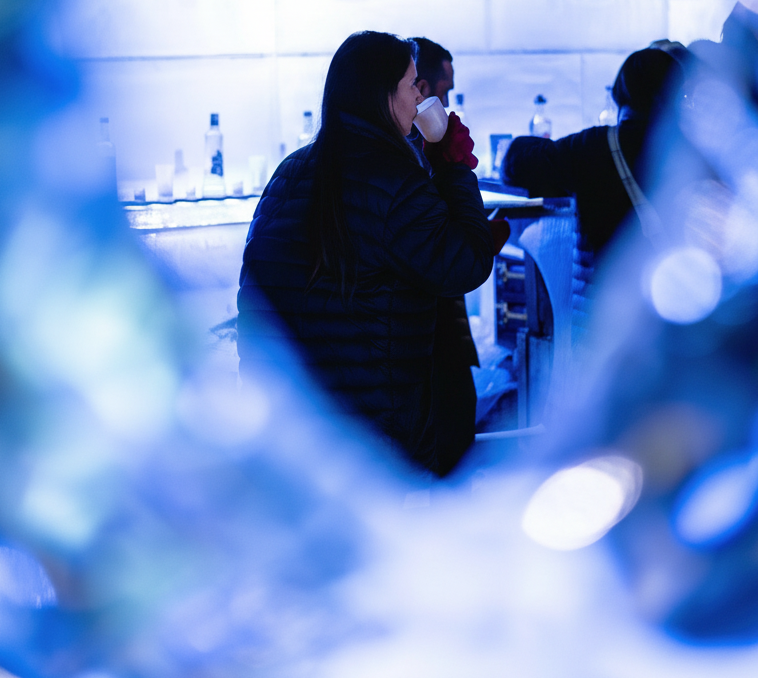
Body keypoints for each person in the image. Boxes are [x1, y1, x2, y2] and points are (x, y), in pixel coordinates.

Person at [237, 32, 507, 475]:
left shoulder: (291, 171)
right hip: (374, 441)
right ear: (382, 94)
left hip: (289, 424)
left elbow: (255, 291)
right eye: (412, 84)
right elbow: (466, 264)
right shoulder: (395, 181)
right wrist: (454, 168)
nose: (420, 97)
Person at [504, 48, 685, 257]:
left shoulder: (596, 144)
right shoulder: (689, 151)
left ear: (619, 94)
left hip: (608, 276)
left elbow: (515, 165)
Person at [409, 35, 482, 474]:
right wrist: (454, 171)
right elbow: (461, 261)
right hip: (428, 340)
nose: (447, 102)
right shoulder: (406, 161)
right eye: (443, 90)